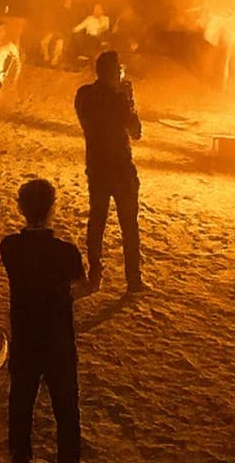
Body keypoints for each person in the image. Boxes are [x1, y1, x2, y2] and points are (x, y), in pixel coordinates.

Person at [0, 178, 85, 463]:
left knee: (21, 404)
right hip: (58, 339)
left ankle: (20, 457)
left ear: (21, 208)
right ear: (53, 208)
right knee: (66, 408)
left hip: (25, 337)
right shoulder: (66, 252)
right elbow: (80, 286)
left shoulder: (9, 247)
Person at [74, 50, 146, 293]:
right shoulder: (118, 100)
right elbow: (135, 132)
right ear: (113, 72)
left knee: (97, 222)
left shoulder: (83, 95)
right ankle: (133, 280)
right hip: (121, 169)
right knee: (128, 225)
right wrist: (128, 99)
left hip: (96, 167)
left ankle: (95, 276)